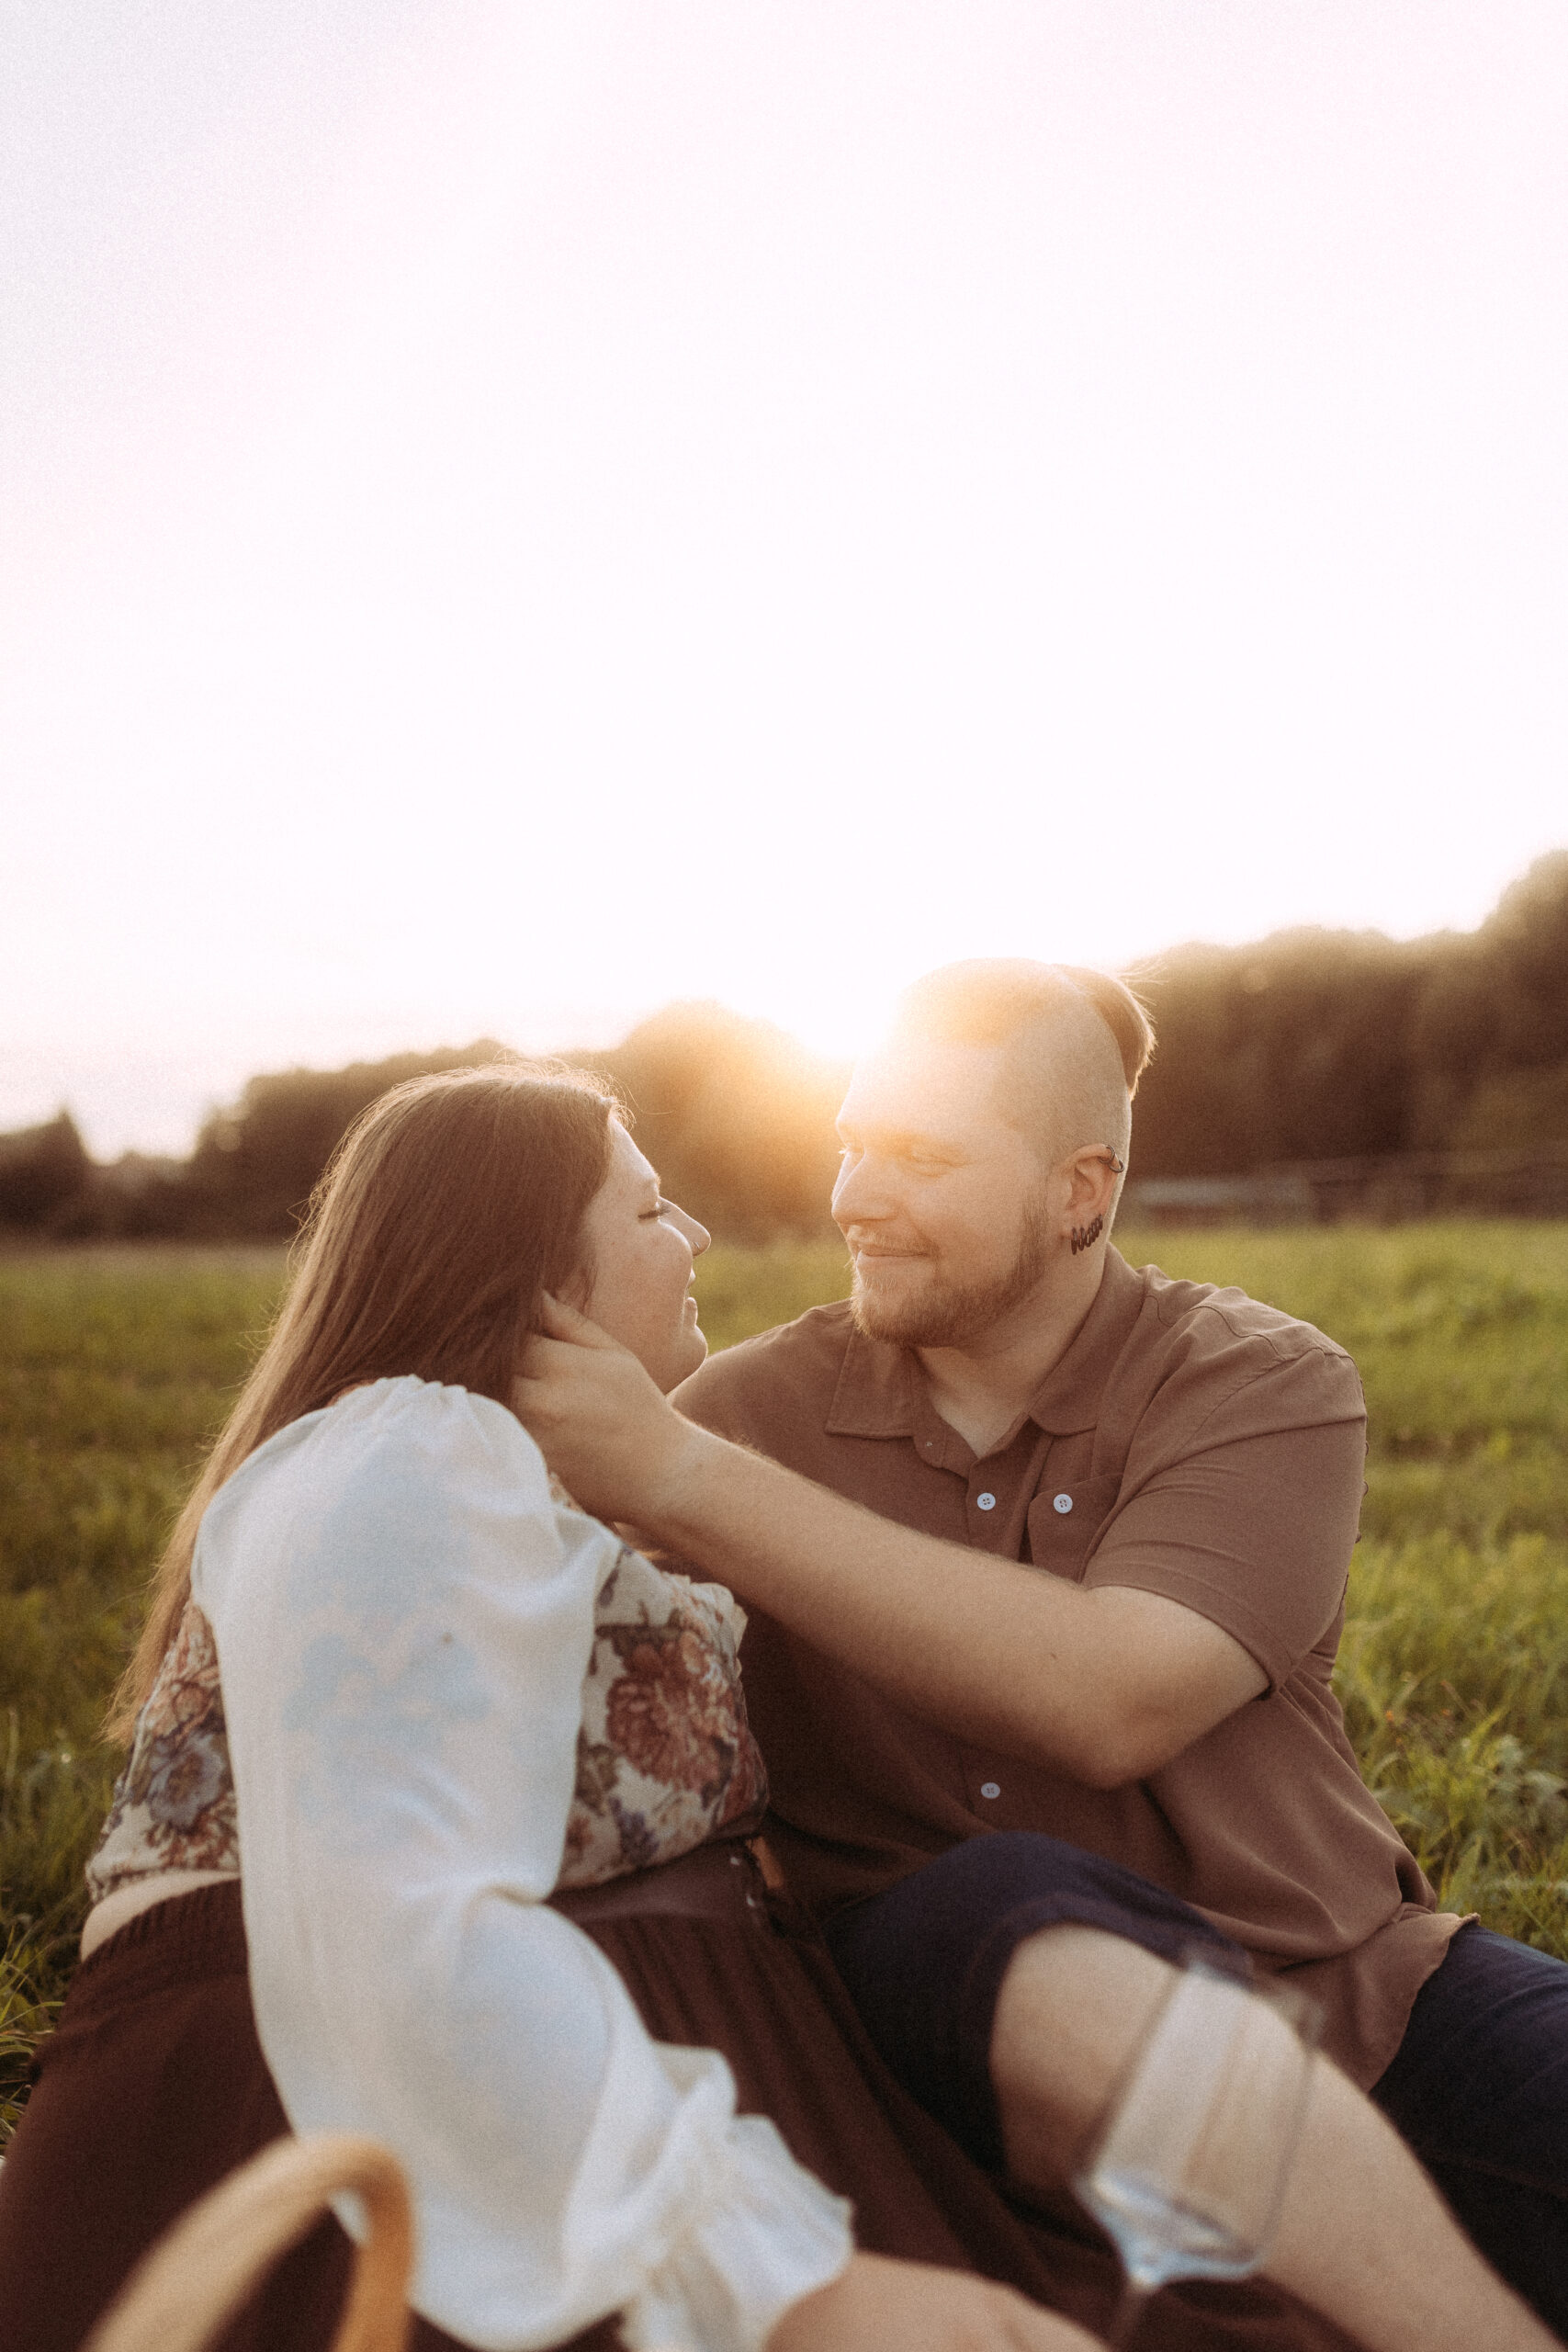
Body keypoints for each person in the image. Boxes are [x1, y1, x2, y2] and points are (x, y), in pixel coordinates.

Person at [0, 1060, 1340, 2352]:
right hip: (397, 2124)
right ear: (535, 1273)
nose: (693, 1233)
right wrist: (751, 2262)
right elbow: (392, 1921)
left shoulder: (524, 1481)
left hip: (651, 2089)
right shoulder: (403, 1451)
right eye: (648, 1208)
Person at [511, 965, 1566, 2351]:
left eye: (923, 1157)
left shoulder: (1255, 1380)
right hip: (950, 2018)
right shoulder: (739, 1415)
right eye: (852, 1144)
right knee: (997, 1894)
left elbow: (1113, 1699)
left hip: (1340, 1992)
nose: (855, 1197)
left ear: (1082, 1190)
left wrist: (683, 1479)